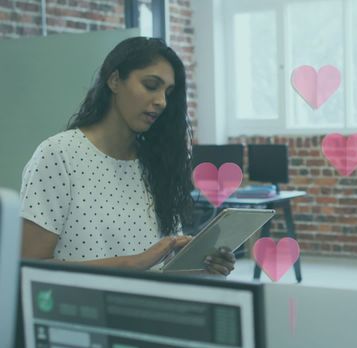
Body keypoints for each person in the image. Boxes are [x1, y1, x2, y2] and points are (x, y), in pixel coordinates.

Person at [20, 37, 235, 275]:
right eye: (151, 85)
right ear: (114, 81)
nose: (162, 101)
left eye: (168, 92)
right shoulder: (58, 156)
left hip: (148, 309)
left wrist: (201, 267)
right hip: (81, 310)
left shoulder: (157, 164)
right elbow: (29, 266)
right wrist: (132, 264)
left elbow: (165, 268)